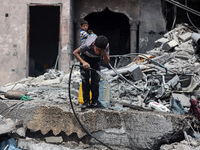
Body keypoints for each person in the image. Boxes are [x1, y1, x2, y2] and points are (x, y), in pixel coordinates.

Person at [73, 35, 110, 109]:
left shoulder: (106, 47)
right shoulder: (88, 45)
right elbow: (75, 53)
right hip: (85, 58)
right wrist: (83, 62)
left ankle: (94, 102)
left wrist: (104, 53)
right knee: (85, 80)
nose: (98, 51)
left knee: (95, 81)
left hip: (96, 60)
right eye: (97, 49)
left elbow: (107, 62)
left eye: (100, 50)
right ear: (94, 44)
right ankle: (86, 101)